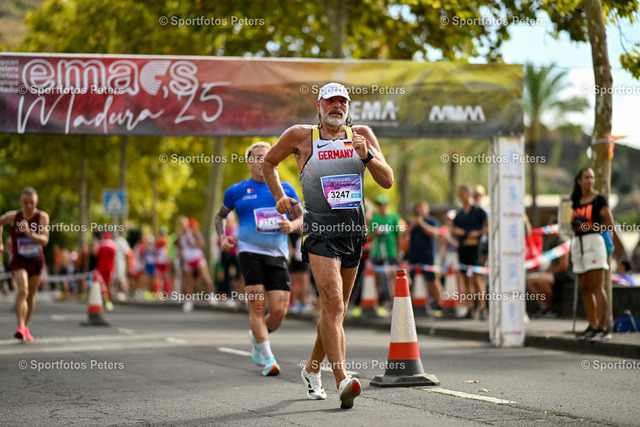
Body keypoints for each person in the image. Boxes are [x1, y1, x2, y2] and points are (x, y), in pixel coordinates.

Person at [262, 82, 394, 408]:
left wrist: (367, 156)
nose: (337, 106)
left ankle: (311, 369)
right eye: (330, 101)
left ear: (348, 107)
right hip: (319, 232)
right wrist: (280, 196)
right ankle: (343, 380)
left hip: (353, 233)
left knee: (337, 311)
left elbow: (387, 180)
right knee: (333, 303)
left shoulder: (361, 134)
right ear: (319, 105)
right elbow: (268, 162)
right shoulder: (300, 136)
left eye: (342, 101)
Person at [215, 142, 302, 376]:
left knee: (279, 311)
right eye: (257, 157)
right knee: (257, 305)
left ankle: (257, 335)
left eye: (267, 156)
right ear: (249, 162)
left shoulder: (286, 189)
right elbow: (220, 216)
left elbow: (302, 218)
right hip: (249, 251)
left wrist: (292, 225)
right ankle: (268, 358)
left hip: (278, 254)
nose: (262, 160)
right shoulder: (236, 191)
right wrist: (222, 238)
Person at [570, 167, 615, 341]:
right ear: (579, 181)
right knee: (586, 288)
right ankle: (592, 325)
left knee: (597, 287)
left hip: (594, 243)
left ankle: (603, 328)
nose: (589, 180)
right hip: (579, 243)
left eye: (592, 177)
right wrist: (575, 224)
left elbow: (609, 224)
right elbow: (573, 221)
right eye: (586, 177)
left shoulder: (599, 199)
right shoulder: (577, 200)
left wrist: (590, 227)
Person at [0, 187, 50, 341]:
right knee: (23, 290)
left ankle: (26, 326)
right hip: (19, 261)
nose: (29, 206)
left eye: (32, 202)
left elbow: (45, 240)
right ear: (21, 200)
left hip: (36, 261)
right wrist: (0, 243)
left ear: (37, 201)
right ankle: (20, 326)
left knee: (31, 295)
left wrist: (29, 233)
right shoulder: (14, 216)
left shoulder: (42, 217)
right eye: (26, 202)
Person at [452, 185, 488, 320]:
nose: (461, 196)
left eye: (462, 193)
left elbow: (488, 227)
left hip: (475, 248)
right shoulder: (459, 213)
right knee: (466, 279)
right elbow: (452, 230)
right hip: (463, 248)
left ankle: (482, 307)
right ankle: (470, 307)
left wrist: (477, 233)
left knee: (478, 277)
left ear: (468, 194)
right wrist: (457, 231)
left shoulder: (478, 211)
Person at [526, 217, 574, 317]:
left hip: (567, 274)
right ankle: (544, 307)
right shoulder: (552, 242)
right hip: (556, 273)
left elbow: (563, 265)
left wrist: (548, 274)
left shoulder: (562, 240)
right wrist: (544, 273)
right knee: (530, 280)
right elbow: (552, 264)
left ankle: (551, 308)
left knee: (543, 281)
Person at [405, 201, 444, 311]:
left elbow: (436, 233)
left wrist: (422, 224)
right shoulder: (411, 222)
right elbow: (404, 234)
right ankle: (415, 305)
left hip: (428, 256)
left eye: (423, 207)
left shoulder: (432, 221)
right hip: (414, 256)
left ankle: (441, 304)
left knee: (432, 280)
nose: (421, 209)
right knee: (412, 280)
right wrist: (413, 225)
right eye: (419, 207)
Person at [369, 194, 402, 312]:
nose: (381, 206)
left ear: (386, 205)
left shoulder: (394, 217)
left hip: (391, 253)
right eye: (378, 204)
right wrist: (376, 232)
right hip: (377, 253)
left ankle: (393, 306)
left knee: (392, 280)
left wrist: (399, 253)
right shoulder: (374, 219)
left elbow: (399, 236)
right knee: (376, 281)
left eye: (382, 204)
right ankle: (377, 307)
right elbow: (370, 237)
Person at [176, 217, 215, 312]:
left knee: (205, 277)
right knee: (188, 281)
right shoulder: (180, 235)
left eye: (183, 223)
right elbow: (177, 244)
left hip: (197, 258)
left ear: (187, 223)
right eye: (180, 224)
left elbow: (202, 244)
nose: (182, 226)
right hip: (187, 260)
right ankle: (189, 301)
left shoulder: (193, 231)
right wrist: (180, 251)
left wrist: (193, 244)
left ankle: (212, 295)